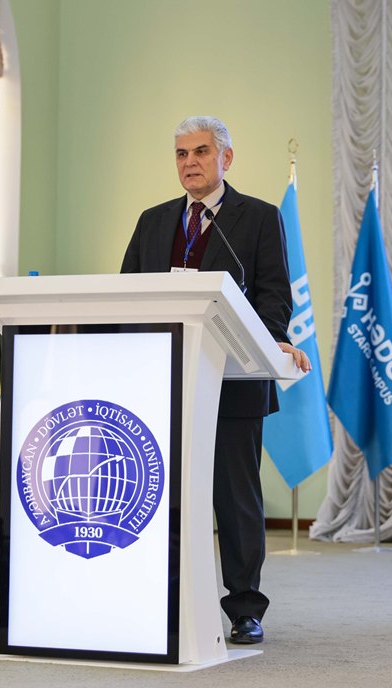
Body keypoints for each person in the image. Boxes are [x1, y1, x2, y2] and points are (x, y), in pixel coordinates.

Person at [121, 116, 310, 644]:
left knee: (235, 499)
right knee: (162, 496)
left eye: (201, 152)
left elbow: (274, 294)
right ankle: (165, 599)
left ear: (226, 158)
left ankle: (245, 608)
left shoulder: (259, 217)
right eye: (182, 154)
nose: (190, 163)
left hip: (234, 380)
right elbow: (129, 290)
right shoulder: (153, 221)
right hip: (165, 381)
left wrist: (271, 339)